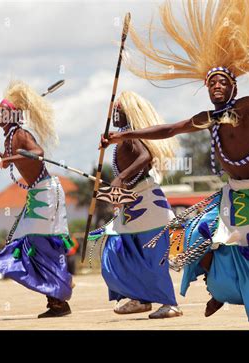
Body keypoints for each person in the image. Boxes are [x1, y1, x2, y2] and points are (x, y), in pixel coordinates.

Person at [101, 0, 249, 330]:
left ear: (233, 87)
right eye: (211, 83)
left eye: (222, 82)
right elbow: (168, 129)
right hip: (233, 195)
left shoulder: (244, 107)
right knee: (196, 234)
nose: (216, 86)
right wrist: (122, 136)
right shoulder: (208, 119)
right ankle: (222, 289)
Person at [0, 80, 74, 318]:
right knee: (24, 242)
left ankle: (60, 293)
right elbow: (6, 162)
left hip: (46, 192)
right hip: (37, 193)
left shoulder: (21, 133)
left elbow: (38, 153)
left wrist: (8, 160)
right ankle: (59, 290)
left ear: (12, 115)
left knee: (38, 241)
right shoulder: (10, 136)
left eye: (2, 112)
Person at [89, 91, 182, 319]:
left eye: (118, 111)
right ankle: (140, 299)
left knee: (151, 256)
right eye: (113, 111)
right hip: (134, 206)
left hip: (148, 204)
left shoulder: (130, 135)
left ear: (128, 113)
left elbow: (145, 157)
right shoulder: (122, 136)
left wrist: (120, 179)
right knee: (117, 251)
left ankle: (170, 304)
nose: (114, 115)